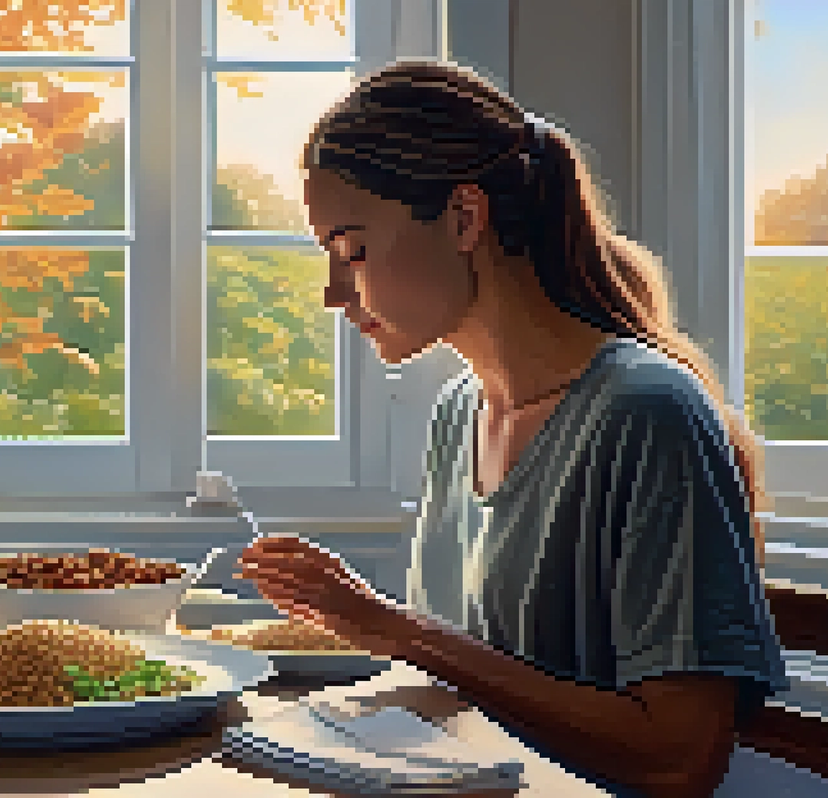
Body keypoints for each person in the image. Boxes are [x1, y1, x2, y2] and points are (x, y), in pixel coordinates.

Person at [236, 60, 788, 798]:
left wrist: (398, 630)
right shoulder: (458, 413)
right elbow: (457, 691)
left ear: (465, 218)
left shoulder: (647, 413)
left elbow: (678, 760)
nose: (336, 293)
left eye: (353, 250)